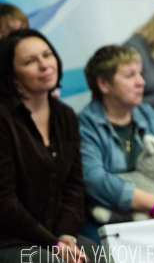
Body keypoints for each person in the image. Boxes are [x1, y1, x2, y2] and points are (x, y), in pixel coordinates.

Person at [0, 29, 98, 263]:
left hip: (56, 234)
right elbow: (5, 203)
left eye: (47, 55)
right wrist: (54, 245)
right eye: (30, 61)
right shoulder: (4, 120)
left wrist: (66, 236)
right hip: (11, 238)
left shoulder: (66, 115)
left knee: (100, 255)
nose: (44, 65)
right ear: (12, 75)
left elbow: (74, 188)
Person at [78, 45, 154, 228]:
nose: (141, 82)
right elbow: (94, 180)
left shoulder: (150, 116)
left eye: (140, 74)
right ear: (103, 84)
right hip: (105, 222)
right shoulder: (86, 125)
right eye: (130, 75)